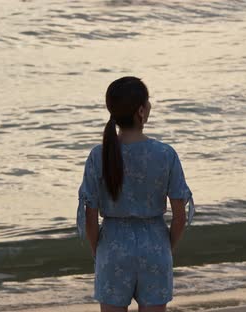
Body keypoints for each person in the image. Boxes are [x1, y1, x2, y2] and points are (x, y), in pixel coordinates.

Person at [77, 76, 193, 312]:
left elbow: (90, 217)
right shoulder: (165, 154)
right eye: (148, 103)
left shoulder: (98, 156)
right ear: (141, 111)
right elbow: (180, 216)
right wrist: (165, 248)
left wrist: (97, 250)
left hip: (113, 245)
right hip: (155, 244)